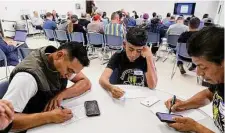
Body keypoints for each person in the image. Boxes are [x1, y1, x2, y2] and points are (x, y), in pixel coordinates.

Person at [3, 42, 91, 132]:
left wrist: (62, 94)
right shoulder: (26, 78)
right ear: (59, 55)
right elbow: (7, 122)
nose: (69, 76)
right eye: (69, 70)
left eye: (73, 72)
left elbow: (85, 82)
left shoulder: (56, 60)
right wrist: (49, 117)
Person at [165, 26, 224, 133]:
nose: (198, 73)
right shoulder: (220, 79)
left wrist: (197, 128)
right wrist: (184, 104)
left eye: (203, 67)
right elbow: (209, 94)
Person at [99, 27, 157, 99]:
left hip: (141, 96)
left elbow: (153, 86)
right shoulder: (118, 55)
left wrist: (149, 57)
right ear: (124, 44)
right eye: (130, 49)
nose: (133, 54)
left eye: (138, 51)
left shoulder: (146, 58)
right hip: (122, 95)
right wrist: (110, 88)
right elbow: (102, 79)